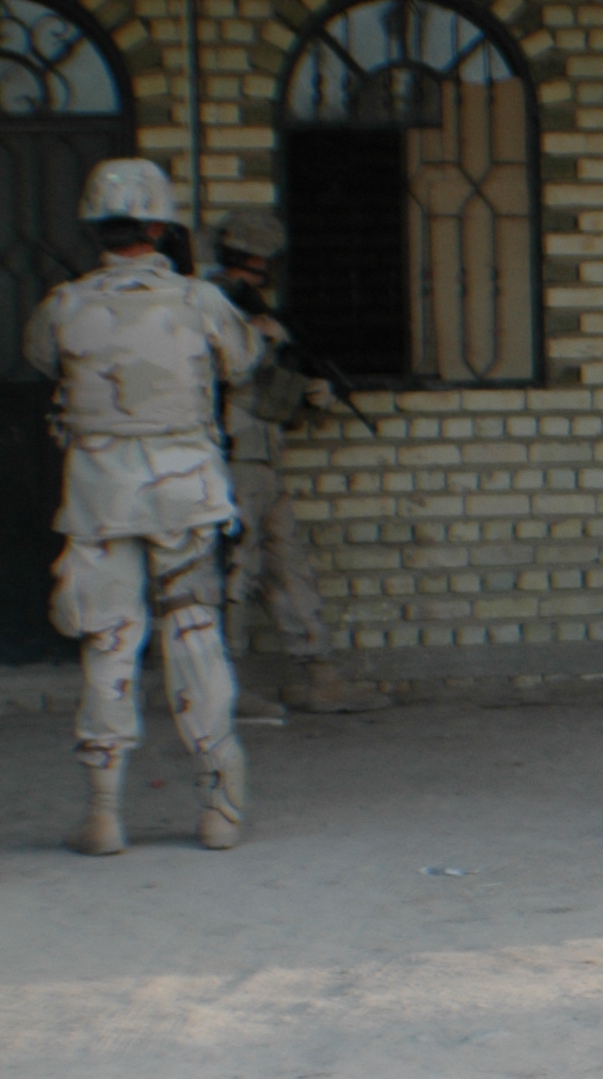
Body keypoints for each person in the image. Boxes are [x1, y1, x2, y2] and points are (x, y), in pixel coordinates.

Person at [25, 157, 261, 854]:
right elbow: (242, 363)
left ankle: (104, 813)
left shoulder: (64, 304)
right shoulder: (199, 301)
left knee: (108, 642)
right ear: (159, 227)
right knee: (194, 637)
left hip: (101, 497)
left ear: (96, 225)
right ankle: (219, 809)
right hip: (184, 492)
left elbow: (44, 361)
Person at [209, 208, 387, 715]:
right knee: (236, 575)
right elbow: (218, 380)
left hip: (262, 461)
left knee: (290, 570)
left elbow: (268, 400)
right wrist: (265, 341)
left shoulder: (253, 309)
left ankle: (323, 678)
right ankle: (223, 691)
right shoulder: (208, 306)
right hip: (230, 461)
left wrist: (304, 390)